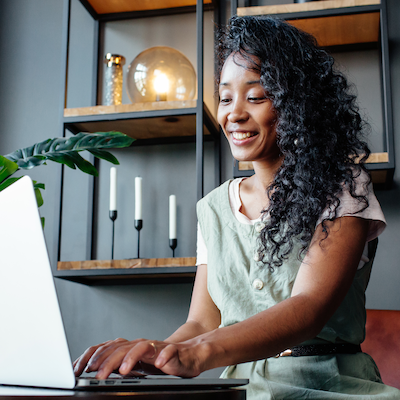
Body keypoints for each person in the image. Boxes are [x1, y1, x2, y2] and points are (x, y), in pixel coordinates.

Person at [74, 15, 400, 399]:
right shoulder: (212, 208)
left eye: (256, 96)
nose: (234, 114)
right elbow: (200, 322)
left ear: (297, 104)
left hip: (333, 388)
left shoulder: (342, 185)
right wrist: (158, 352)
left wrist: (198, 354)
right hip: (242, 390)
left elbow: (309, 306)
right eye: (226, 98)